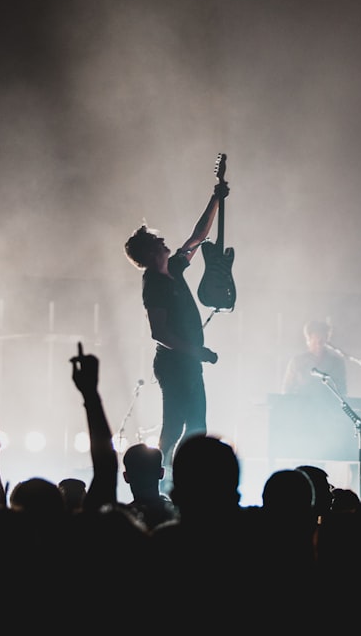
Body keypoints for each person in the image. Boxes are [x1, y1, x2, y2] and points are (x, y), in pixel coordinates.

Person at [123, 175, 230, 488]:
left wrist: (216, 198)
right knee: (175, 425)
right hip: (174, 364)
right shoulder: (154, 285)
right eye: (157, 241)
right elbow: (159, 333)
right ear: (150, 251)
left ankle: (188, 481)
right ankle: (159, 482)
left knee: (196, 424)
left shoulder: (174, 269)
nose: (163, 240)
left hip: (188, 362)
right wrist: (196, 351)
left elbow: (198, 237)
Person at [281, 318, 348, 402]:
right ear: (308, 339)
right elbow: (287, 390)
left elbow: (342, 391)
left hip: (328, 410)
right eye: (316, 337)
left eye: (323, 338)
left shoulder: (337, 363)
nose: (319, 342)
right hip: (301, 409)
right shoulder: (297, 362)